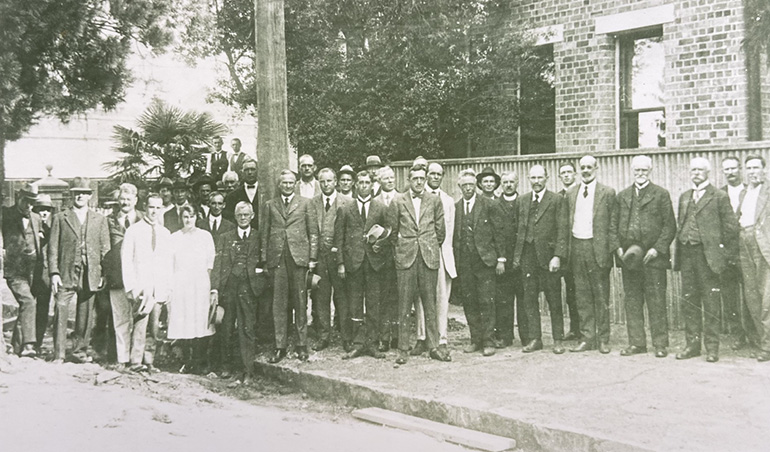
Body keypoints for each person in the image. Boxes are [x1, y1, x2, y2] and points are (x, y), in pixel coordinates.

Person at [674, 157, 738, 363]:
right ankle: (692, 345)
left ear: (708, 173)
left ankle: (712, 348)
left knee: (711, 303)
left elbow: (730, 228)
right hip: (687, 255)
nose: (696, 173)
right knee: (689, 301)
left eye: (700, 170)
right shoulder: (685, 197)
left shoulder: (718, 196)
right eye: (693, 170)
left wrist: (721, 253)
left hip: (708, 257)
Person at [611, 156, 676, 358]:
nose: (640, 174)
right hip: (629, 257)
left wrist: (657, 249)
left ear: (650, 171)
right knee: (632, 300)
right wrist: (618, 249)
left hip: (652, 257)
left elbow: (669, 226)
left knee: (656, 301)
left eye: (644, 170)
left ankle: (660, 344)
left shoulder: (661, 194)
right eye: (637, 170)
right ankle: (637, 343)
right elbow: (612, 226)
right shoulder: (622, 196)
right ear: (632, 171)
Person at [389, 165, 449, 364]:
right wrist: (404, 248)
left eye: (422, 178)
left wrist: (428, 246)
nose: (418, 182)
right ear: (409, 180)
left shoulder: (434, 200)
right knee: (404, 304)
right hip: (406, 258)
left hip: (427, 257)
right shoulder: (398, 201)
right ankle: (403, 350)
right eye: (415, 178)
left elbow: (441, 231)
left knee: (430, 303)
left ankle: (433, 346)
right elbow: (392, 231)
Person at [49, 177, 110, 363]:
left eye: (84, 193)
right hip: (66, 271)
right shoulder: (61, 218)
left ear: (90, 195)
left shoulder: (99, 219)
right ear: (71, 195)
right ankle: (59, 354)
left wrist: (103, 274)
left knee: (85, 313)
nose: (80, 196)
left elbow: (105, 249)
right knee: (61, 307)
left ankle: (80, 351)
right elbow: (52, 247)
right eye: (77, 193)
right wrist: (54, 273)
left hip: (90, 272)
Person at [261, 170, 319, 363]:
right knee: (279, 304)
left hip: (299, 259)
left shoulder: (305, 203)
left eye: (290, 183)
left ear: (295, 184)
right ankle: (280, 346)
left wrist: (312, 258)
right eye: (284, 183)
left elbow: (313, 233)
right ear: (279, 185)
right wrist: (264, 260)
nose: (287, 186)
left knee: (300, 303)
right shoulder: (270, 205)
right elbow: (264, 234)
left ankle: (301, 345)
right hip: (278, 260)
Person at [512, 165, 568, 354]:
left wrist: (558, 256)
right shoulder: (522, 200)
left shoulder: (557, 200)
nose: (536, 181)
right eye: (533, 178)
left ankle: (558, 339)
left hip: (548, 258)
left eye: (539, 178)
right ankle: (536, 339)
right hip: (528, 257)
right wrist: (518, 257)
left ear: (547, 178)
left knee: (554, 300)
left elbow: (562, 230)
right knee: (529, 300)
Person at [335, 171, 390, 359]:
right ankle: (358, 342)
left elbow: (388, 234)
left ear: (372, 185)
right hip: (354, 263)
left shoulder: (381, 208)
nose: (364, 185)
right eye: (361, 182)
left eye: (368, 182)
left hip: (374, 263)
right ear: (355, 185)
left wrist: (378, 245)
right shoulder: (345, 208)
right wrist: (341, 263)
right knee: (355, 303)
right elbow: (339, 238)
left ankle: (373, 342)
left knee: (374, 303)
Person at [211, 201, 270, 379]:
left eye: (246, 215)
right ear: (235, 217)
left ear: (252, 216)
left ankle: (247, 369)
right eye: (239, 215)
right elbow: (218, 265)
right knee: (226, 328)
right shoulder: (225, 237)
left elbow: (263, 264)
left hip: (249, 289)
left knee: (247, 329)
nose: (243, 218)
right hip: (229, 288)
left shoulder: (258, 237)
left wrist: (258, 285)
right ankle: (225, 365)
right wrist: (215, 288)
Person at [565, 156, 617, 354]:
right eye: (583, 167)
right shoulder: (571, 193)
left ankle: (603, 338)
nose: (586, 170)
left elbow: (613, 225)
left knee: (601, 295)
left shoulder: (608, 193)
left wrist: (610, 251)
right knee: (582, 296)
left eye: (589, 167)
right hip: (577, 247)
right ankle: (588, 338)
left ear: (597, 168)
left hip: (598, 250)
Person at [454, 169, 506, 357]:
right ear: (459, 186)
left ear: (475, 185)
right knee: (470, 302)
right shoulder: (456, 207)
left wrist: (501, 259)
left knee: (487, 301)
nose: (468, 188)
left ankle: (488, 341)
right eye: (464, 185)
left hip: (485, 262)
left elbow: (499, 233)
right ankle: (475, 339)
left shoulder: (488, 204)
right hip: (465, 263)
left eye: (471, 184)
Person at [121, 193, 173, 371]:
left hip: (158, 287)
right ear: (145, 207)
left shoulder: (165, 233)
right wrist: (132, 287)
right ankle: (136, 361)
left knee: (154, 326)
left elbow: (168, 263)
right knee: (139, 324)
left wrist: (167, 288)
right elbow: (126, 260)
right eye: (151, 207)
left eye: (158, 208)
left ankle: (149, 361)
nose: (154, 211)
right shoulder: (134, 231)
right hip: (141, 287)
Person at [412, 162, 456, 358]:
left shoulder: (448, 200)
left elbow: (450, 232)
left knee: (441, 299)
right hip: (423, 253)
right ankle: (422, 338)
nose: (435, 177)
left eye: (439, 174)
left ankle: (442, 339)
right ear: (426, 175)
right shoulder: (417, 196)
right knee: (421, 298)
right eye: (432, 173)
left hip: (442, 255)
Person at [167, 205, 216, 374]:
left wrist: (208, 286)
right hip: (181, 283)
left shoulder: (205, 236)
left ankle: (200, 361)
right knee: (184, 321)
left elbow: (210, 263)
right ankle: (187, 362)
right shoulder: (174, 237)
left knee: (200, 322)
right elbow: (170, 264)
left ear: (197, 217)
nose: (189, 220)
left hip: (200, 283)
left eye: (192, 216)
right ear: (181, 218)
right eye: (185, 216)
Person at [104, 184, 145, 370]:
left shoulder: (144, 219)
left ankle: (137, 360)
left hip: (139, 278)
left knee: (139, 318)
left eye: (129, 199)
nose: (125, 202)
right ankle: (122, 359)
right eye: (122, 198)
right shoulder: (109, 220)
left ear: (136, 200)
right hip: (116, 277)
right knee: (120, 320)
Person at [310, 168, 351, 351]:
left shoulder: (347, 202)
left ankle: (346, 337)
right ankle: (324, 336)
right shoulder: (313, 203)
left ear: (336, 182)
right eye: (322, 181)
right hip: (320, 257)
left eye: (329, 181)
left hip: (339, 258)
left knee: (342, 298)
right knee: (321, 297)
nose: (326, 184)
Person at [2, 183, 45, 358]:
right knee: (28, 302)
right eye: (26, 201)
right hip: (15, 270)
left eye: (32, 202)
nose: (28, 206)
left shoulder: (36, 218)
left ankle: (16, 345)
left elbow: (40, 237)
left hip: (33, 271)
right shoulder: (6, 214)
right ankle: (29, 345)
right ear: (19, 197)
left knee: (27, 305)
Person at [734, 156, 770, 362]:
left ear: (764, 170)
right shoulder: (744, 193)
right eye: (749, 168)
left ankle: (767, 346)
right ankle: (760, 341)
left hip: (763, 246)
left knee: (767, 297)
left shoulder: (768, 191)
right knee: (751, 295)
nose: (752, 172)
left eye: (756, 167)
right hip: (744, 243)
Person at [721, 156, 753, 350]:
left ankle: (754, 333)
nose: (731, 172)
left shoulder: (750, 191)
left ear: (740, 169)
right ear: (723, 172)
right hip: (726, 252)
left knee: (751, 293)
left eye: (733, 168)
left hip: (746, 250)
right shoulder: (718, 193)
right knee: (729, 296)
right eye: (727, 169)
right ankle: (737, 334)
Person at [495, 170, 521, 347]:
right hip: (503, 259)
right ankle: (505, 336)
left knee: (524, 298)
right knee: (504, 299)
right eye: (505, 182)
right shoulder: (496, 204)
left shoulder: (524, 202)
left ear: (517, 183)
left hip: (521, 259)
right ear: (501, 185)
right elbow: (495, 234)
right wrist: (500, 258)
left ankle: (526, 336)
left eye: (512, 182)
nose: (509, 185)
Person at [374, 165, 399, 348]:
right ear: (379, 181)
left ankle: (398, 336)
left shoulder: (403, 198)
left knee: (399, 298)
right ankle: (384, 337)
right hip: (381, 257)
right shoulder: (375, 202)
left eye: (392, 178)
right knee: (383, 297)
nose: (390, 181)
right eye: (386, 178)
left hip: (401, 255)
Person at [557, 162, 580, 340]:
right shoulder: (557, 197)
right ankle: (574, 328)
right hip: (563, 253)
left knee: (582, 291)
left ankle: (585, 329)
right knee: (570, 293)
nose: (566, 176)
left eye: (569, 172)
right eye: (563, 173)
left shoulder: (581, 194)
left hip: (579, 250)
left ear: (575, 174)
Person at [32, 194, 54, 352]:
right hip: (30, 274)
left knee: (43, 309)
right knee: (27, 307)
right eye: (41, 210)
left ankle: (37, 343)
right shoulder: (29, 226)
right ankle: (22, 342)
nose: (44, 213)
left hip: (45, 275)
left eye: (47, 210)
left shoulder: (52, 228)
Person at [224, 159, 259, 229]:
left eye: (252, 169)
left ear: (258, 171)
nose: (249, 172)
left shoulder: (265, 193)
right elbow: (229, 219)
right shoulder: (232, 196)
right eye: (246, 170)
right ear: (241, 172)